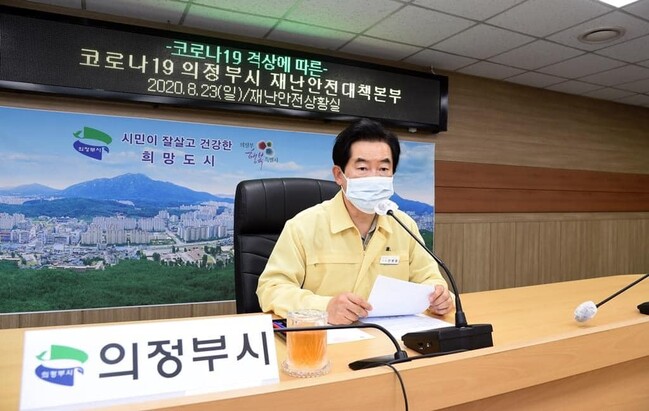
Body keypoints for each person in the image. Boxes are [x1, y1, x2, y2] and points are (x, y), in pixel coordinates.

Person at [256, 118, 454, 324]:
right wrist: (324, 307)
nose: (374, 177)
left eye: (383, 169)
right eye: (362, 168)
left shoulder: (403, 225)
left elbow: (430, 279)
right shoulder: (303, 226)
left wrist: (439, 296)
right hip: (325, 336)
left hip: (390, 336)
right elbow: (272, 289)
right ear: (339, 175)